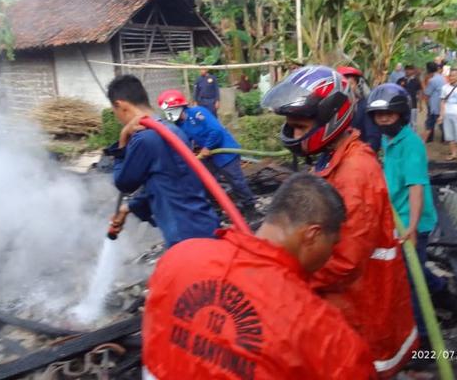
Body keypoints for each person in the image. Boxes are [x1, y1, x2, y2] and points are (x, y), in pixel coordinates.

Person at [261, 66, 417, 378]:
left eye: (299, 127)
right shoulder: (333, 157)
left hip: (362, 306)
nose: (293, 135)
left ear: (330, 120)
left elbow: (345, 260)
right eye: (290, 127)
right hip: (349, 303)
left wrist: (286, 281)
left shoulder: (355, 171)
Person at [143, 173, 377, 380]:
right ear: (312, 235)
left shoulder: (180, 257)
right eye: (332, 244)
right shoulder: (324, 332)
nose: (331, 254)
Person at [366, 83, 457, 343]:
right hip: (397, 216)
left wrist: (413, 228)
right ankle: (442, 291)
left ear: (401, 115)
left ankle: (424, 338)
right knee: (412, 268)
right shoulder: (388, 139)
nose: (383, 119)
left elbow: (416, 187)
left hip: (413, 220)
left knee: (410, 279)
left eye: (389, 114)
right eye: (379, 115)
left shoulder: (412, 145)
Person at [106, 75, 220, 247]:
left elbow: (123, 183)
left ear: (121, 106)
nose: (119, 119)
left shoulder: (144, 138)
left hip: (185, 237)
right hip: (202, 225)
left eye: (115, 113)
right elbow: (165, 182)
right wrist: (127, 208)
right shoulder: (172, 130)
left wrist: (123, 139)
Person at [158, 89, 257, 218]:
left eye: (170, 110)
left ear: (179, 107)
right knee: (206, 182)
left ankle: (250, 208)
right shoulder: (181, 125)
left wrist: (207, 147)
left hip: (225, 152)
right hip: (210, 156)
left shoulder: (198, 113)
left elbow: (216, 131)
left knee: (236, 181)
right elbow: (185, 141)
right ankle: (217, 210)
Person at [337, 66, 381, 152]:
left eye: (351, 84)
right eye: (343, 85)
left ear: (357, 85)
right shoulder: (335, 108)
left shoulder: (364, 107)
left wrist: (361, 155)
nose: (347, 88)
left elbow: (373, 140)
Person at [422, 62, 446, 143]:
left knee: (430, 124)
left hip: (434, 106)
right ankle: (446, 139)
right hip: (442, 105)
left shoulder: (432, 80)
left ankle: (424, 141)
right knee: (440, 124)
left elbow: (427, 93)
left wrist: (423, 85)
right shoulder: (442, 78)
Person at [402, 65, 422, 132]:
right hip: (402, 105)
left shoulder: (416, 81)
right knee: (403, 121)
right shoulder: (401, 80)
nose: (408, 71)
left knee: (413, 122)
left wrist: (420, 104)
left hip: (413, 105)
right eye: (406, 69)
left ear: (413, 71)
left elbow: (419, 92)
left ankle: (413, 136)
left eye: (410, 69)